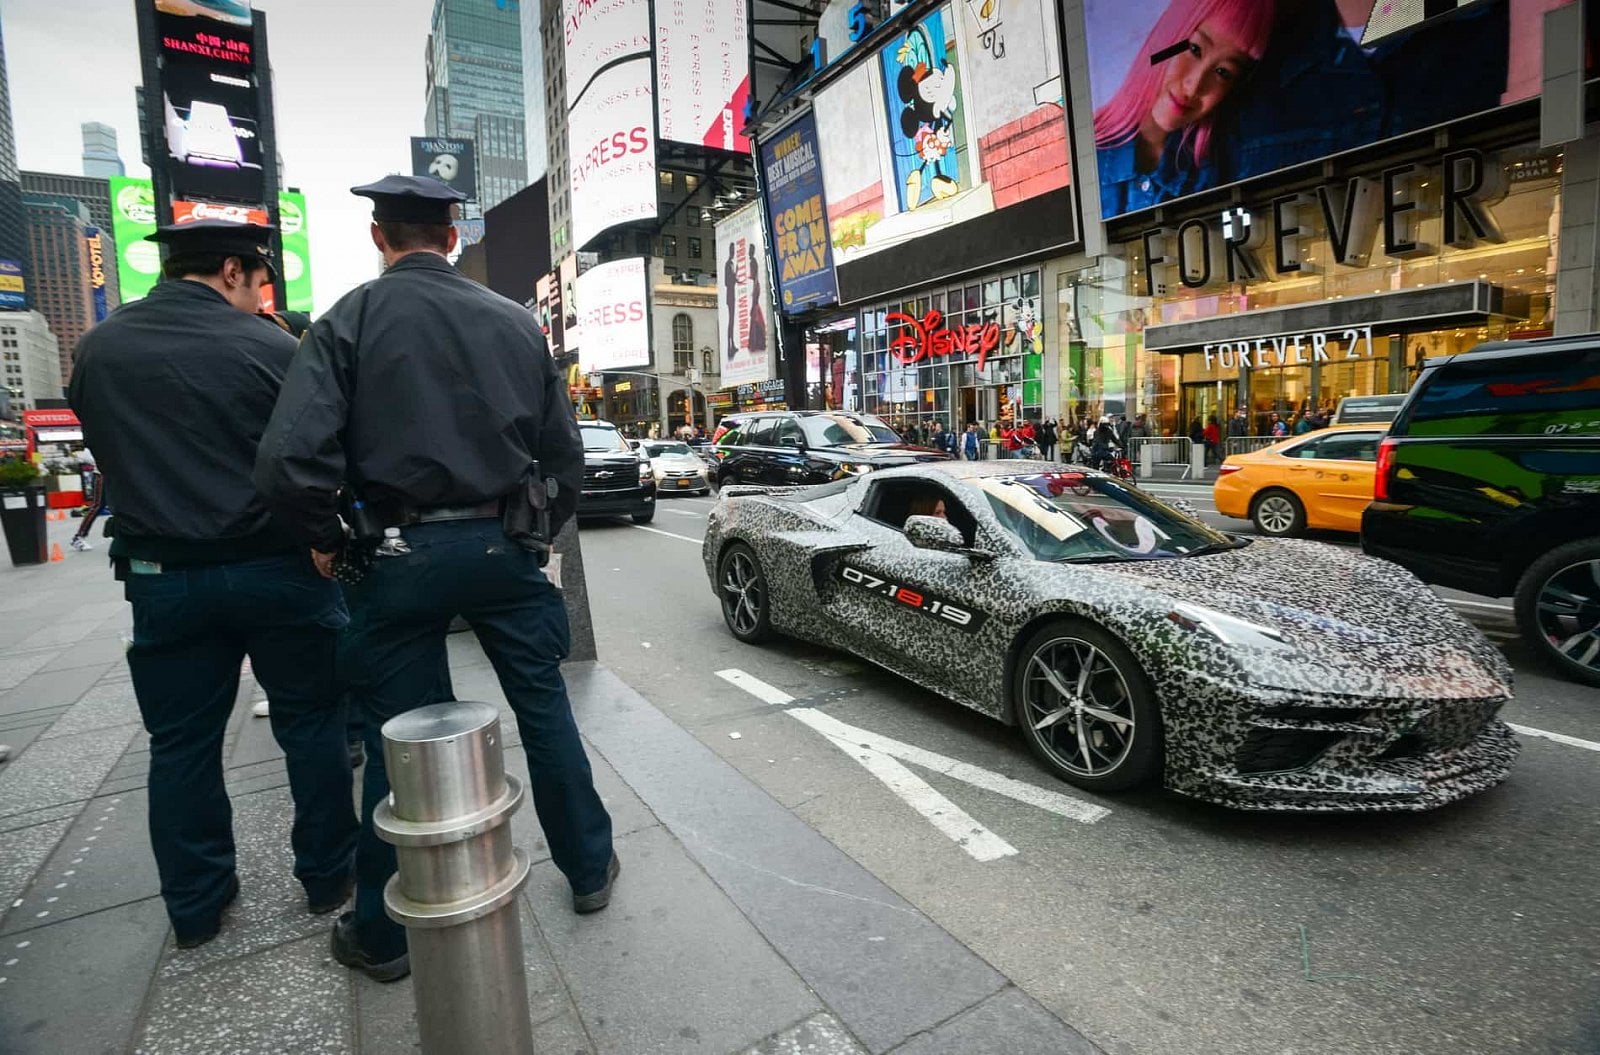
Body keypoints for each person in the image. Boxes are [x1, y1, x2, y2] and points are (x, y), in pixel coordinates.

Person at [253, 176, 616, 984]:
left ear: (380, 237)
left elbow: (285, 460)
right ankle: (589, 868)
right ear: (452, 240)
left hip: (395, 553)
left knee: (401, 733)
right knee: (544, 705)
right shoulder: (517, 322)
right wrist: (531, 532)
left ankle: (384, 934)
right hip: (502, 551)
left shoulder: (348, 319)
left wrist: (328, 538)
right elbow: (564, 457)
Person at [67, 221, 358, 950]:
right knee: (312, 723)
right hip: (278, 567)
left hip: (162, 574)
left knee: (181, 744)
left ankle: (196, 904)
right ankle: (327, 874)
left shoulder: (100, 348)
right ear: (232, 269)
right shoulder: (269, 347)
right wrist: (326, 537)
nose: (260, 294)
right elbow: (314, 455)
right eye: (259, 281)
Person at [1092, 0, 1276, 214]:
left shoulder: (1223, 169)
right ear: (1164, 38)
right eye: (1194, 49)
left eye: (1223, 72)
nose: (1194, 85)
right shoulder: (1083, 157)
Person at [70, 447, 104, 551]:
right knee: (97, 506)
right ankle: (79, 536)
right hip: (102, 475)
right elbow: (87, 457)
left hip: (111, 476)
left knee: (118, 505)